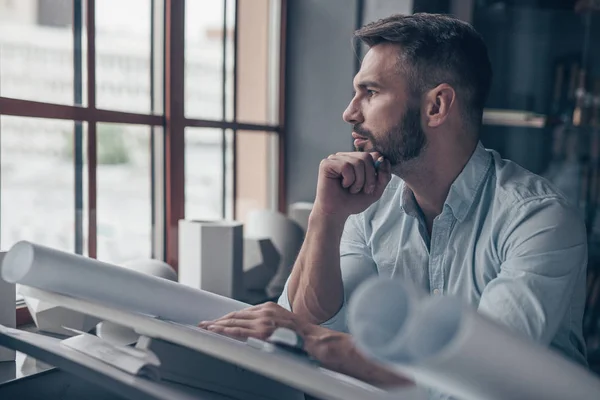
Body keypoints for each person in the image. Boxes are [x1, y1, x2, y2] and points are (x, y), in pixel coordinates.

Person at [199, 12, 588, 389]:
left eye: (370, 92)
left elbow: (479, 373)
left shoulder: (539, 219)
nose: (349, 112)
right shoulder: (370, 207)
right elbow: (303, 320)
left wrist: (310, 339)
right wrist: (326, 216)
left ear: (436, 106)